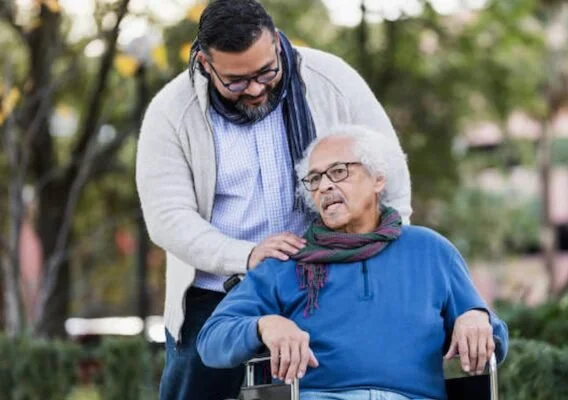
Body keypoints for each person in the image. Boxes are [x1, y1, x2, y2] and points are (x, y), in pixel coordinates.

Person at [135, 0, 412, 398]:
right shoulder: (170, 112)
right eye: (235, 81)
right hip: (213, 296)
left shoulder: (331, 79)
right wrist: (245, 255)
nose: (256, 87)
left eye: (266, 71)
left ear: (277, 46)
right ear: (204, 63)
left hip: (322, 285)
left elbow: (389, 172)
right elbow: (168, 217)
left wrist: (381, 255)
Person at [197, 125, 508, 400]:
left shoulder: (430, 251)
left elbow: (498, 339)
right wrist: (264, 324)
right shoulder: (287, 261)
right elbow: (211, 340)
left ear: (377, 179)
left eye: (339, 171)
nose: (324, 186)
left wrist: (476, 317)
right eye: (315, 179)